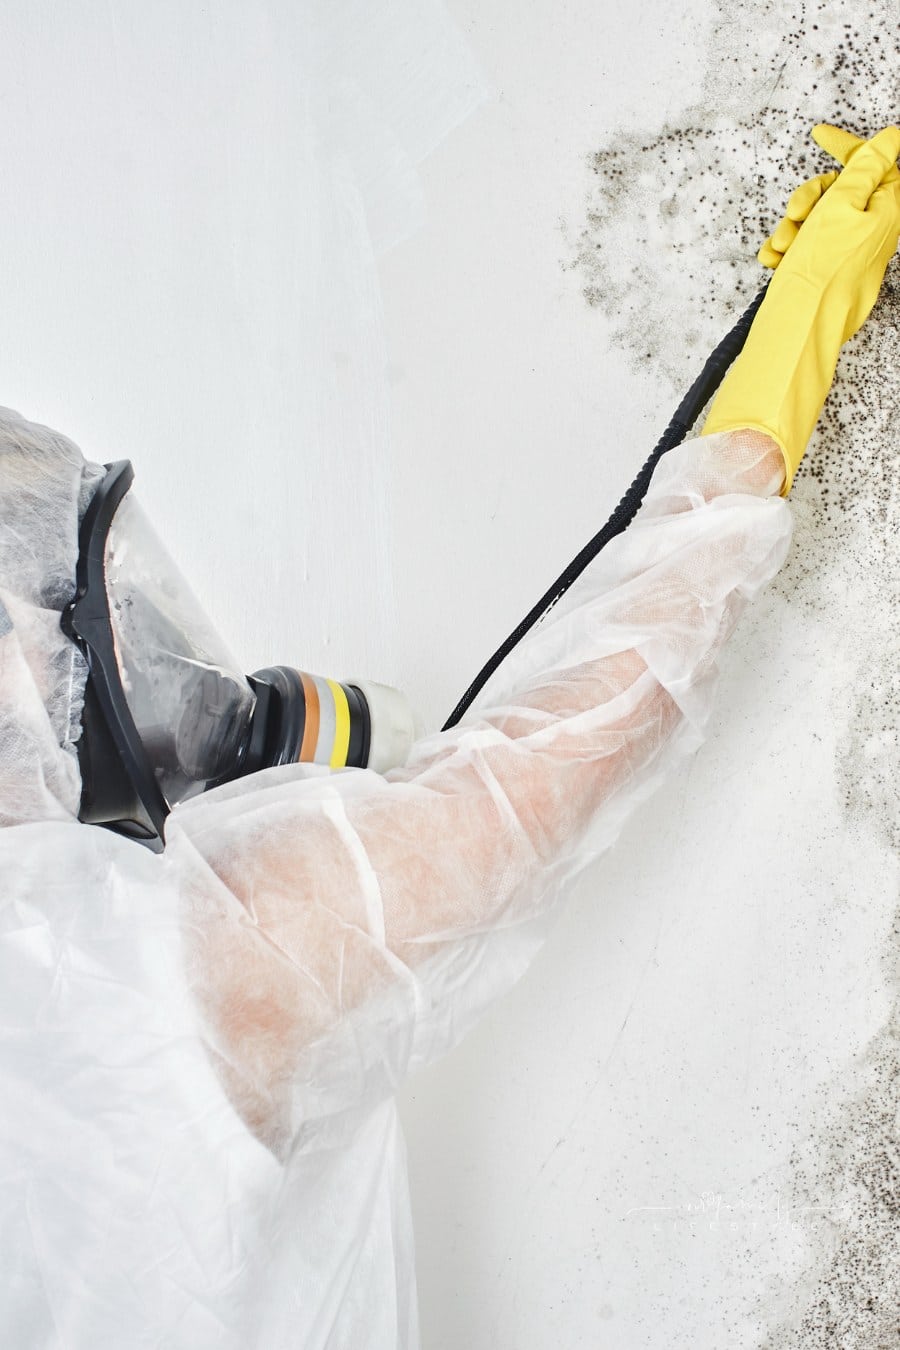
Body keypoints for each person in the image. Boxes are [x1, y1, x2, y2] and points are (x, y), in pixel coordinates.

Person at [0, 121, 897, 1349]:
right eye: (96, 627)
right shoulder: (124, 983)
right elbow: (572, 741)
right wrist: (793, 343)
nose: (153, 656)